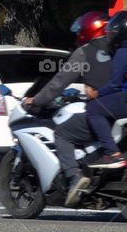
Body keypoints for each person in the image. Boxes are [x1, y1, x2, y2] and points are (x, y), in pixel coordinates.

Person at [21, 11, 112, 206]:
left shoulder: (85, 52)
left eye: (81, 31)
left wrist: (36, 100)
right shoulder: (119, 48)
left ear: (88, 31)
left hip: (103, 110)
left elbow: (59, 83)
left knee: (63, 133)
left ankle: (73, 177)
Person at [85, 10, 127, 170]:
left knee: (94, 109)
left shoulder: (124, 51)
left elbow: (114, 85)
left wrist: (96, 94)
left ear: (123, 31)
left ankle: (112, 154)